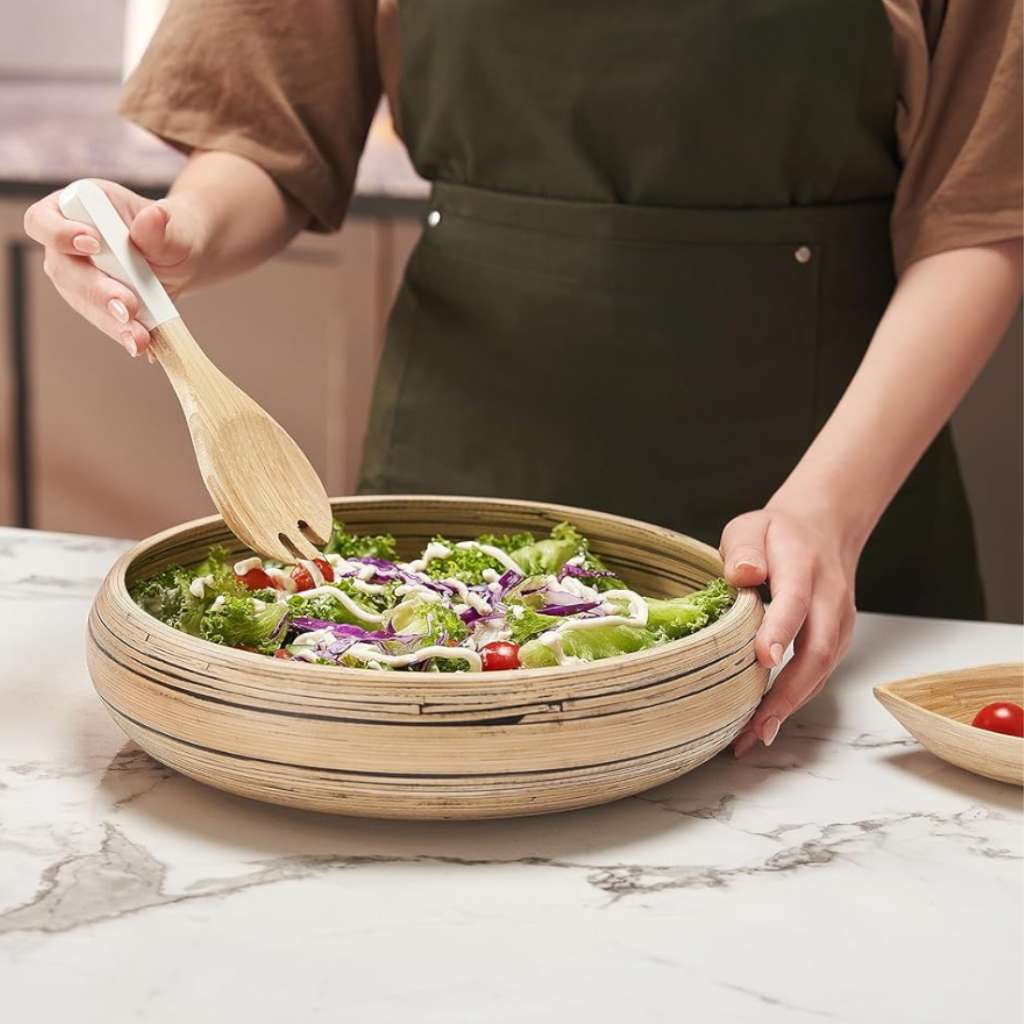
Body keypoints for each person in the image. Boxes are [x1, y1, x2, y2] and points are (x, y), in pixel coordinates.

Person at [24, 1, 1022, 756]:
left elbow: (980, 211)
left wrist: (828, 511)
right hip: (436, 533)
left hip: (822, 515)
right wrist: (175, 236)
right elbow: (264, 131)